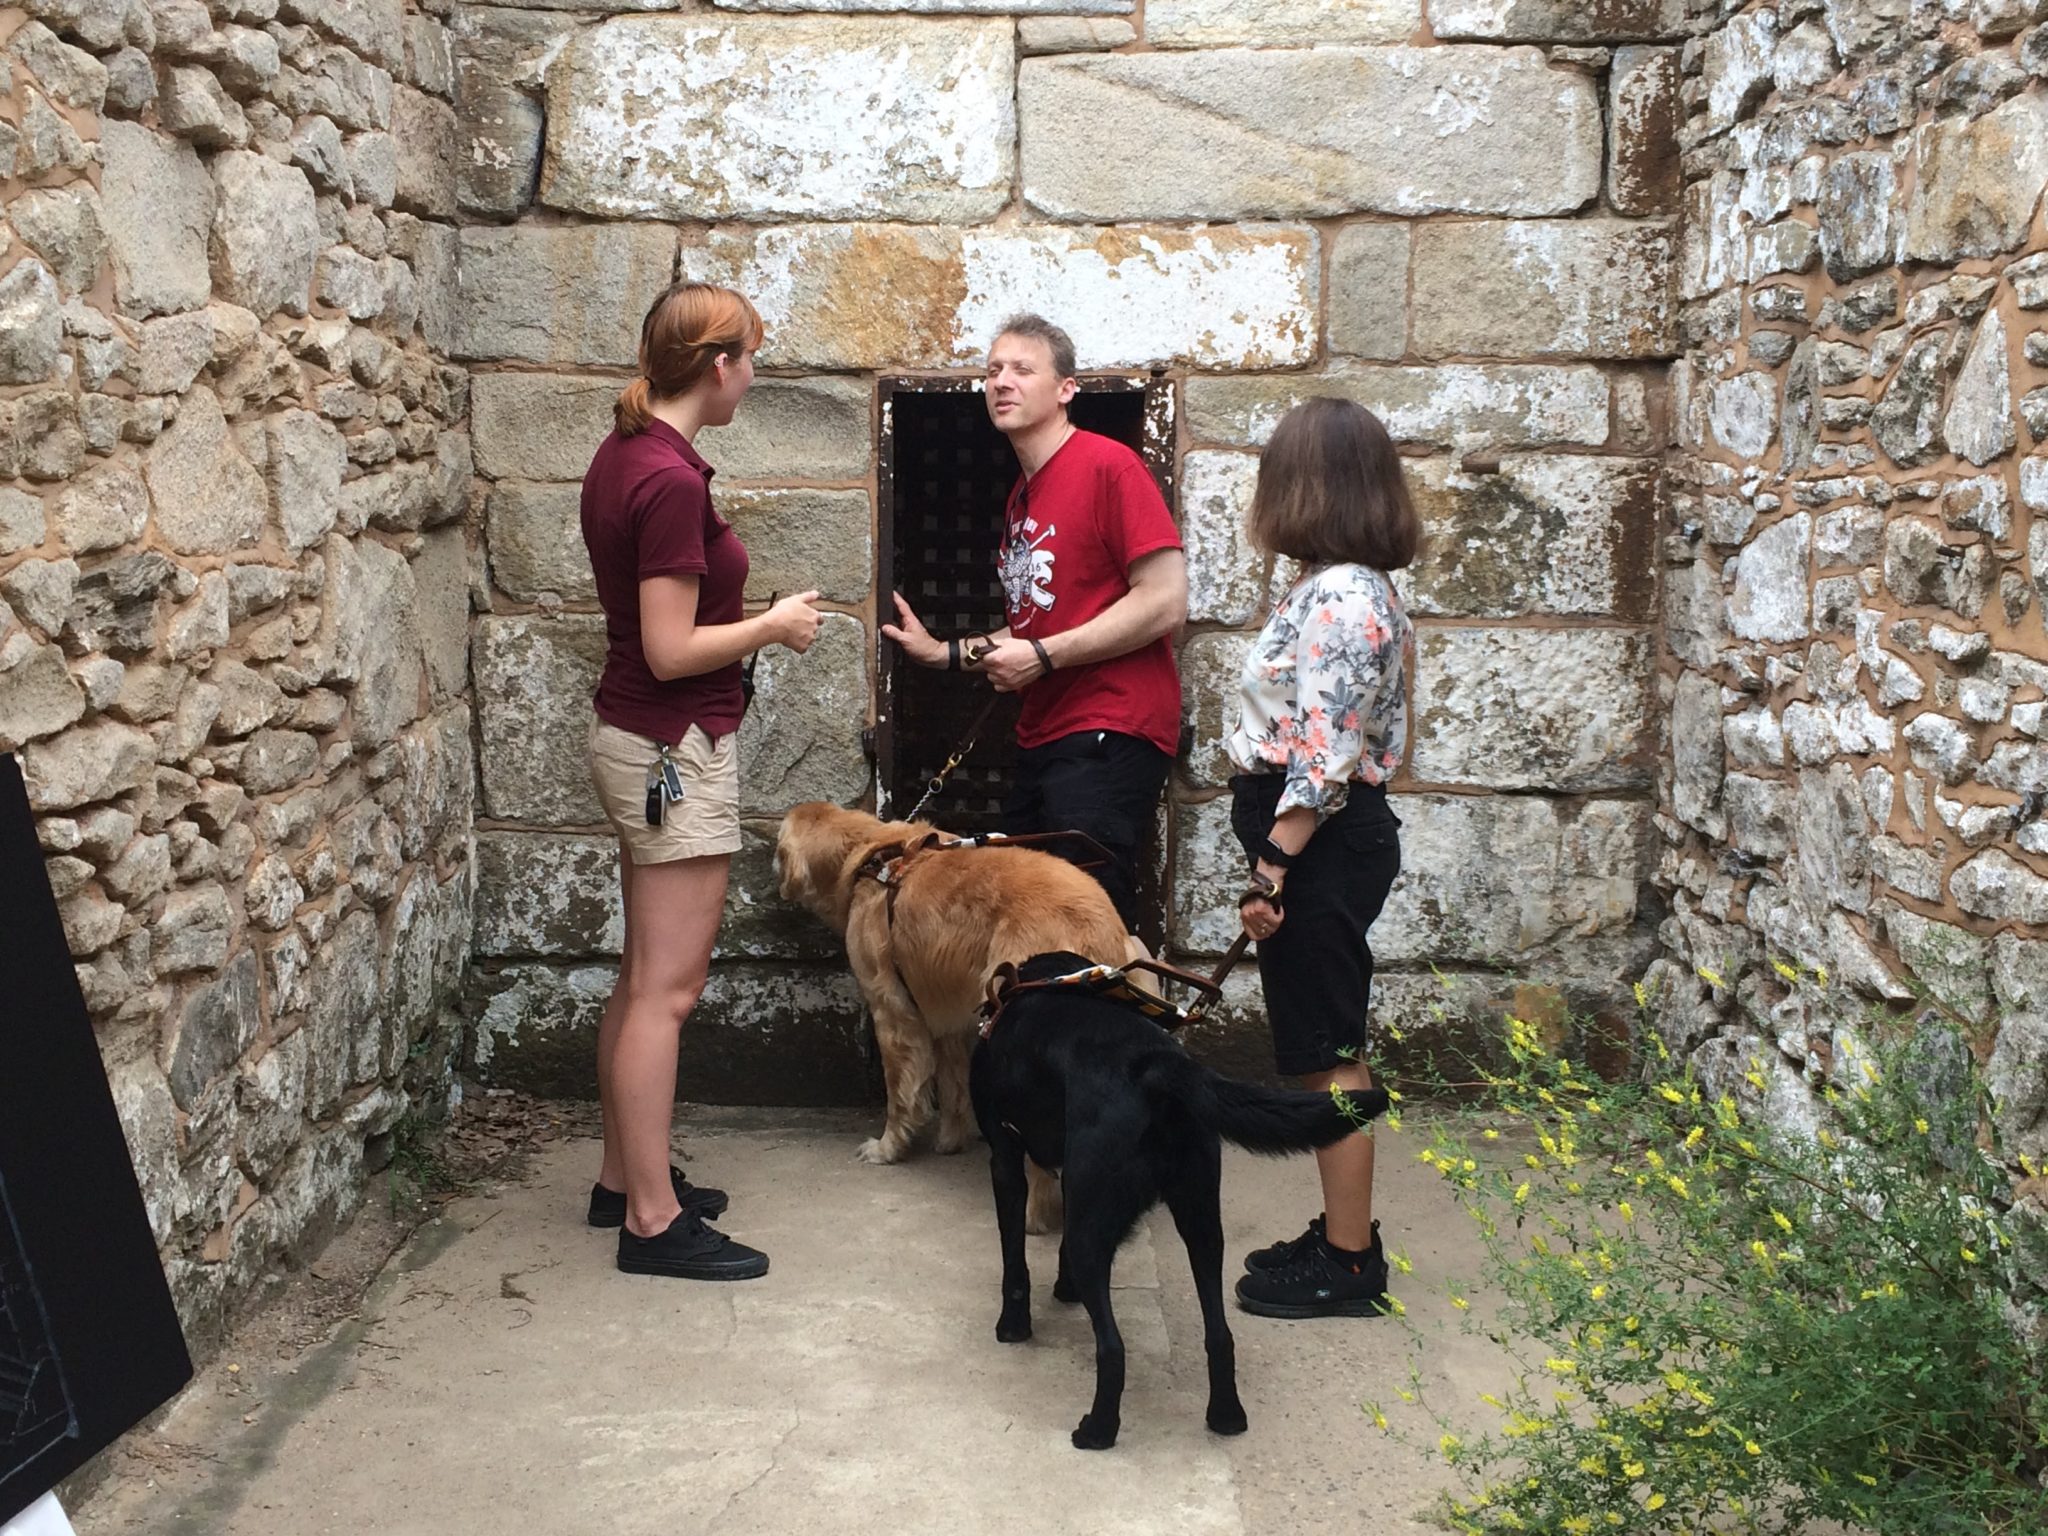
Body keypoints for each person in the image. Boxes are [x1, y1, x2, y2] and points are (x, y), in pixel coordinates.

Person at [579, 282, 824, 1281]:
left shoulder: (628, 453)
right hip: (672, 748)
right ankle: (649, 1220)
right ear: (717, 366)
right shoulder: (669, 478)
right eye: (752, 357)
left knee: (642, 980)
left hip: (638, 738)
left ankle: (618, 1181)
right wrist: (769, 625)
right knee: (667, 996)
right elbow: (672, 647)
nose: (755, 376)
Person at [881, 314, 1187, 929]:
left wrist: (1044, 656)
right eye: (993, 370)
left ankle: (1108, 1024)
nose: (1002, 381)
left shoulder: (1110, 466)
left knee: (1084, 919)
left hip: (1108, 725)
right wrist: (941, 652)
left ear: (1066, 388)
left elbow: (1164, 600)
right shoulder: (1022, 494)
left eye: (1023, 369)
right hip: (1048, 732)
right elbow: (1036, 622)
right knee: (1031, 916)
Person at [1224, 396, 1418, 1320]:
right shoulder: (1332, 586)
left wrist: (1272, 864)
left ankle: (1349, 1266)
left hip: (1319, 840)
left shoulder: (1342, 595)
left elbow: (1327, 756)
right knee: (1316, 1046)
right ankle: (1346, 1236)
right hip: (1317, 837)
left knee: (1330, 1054)